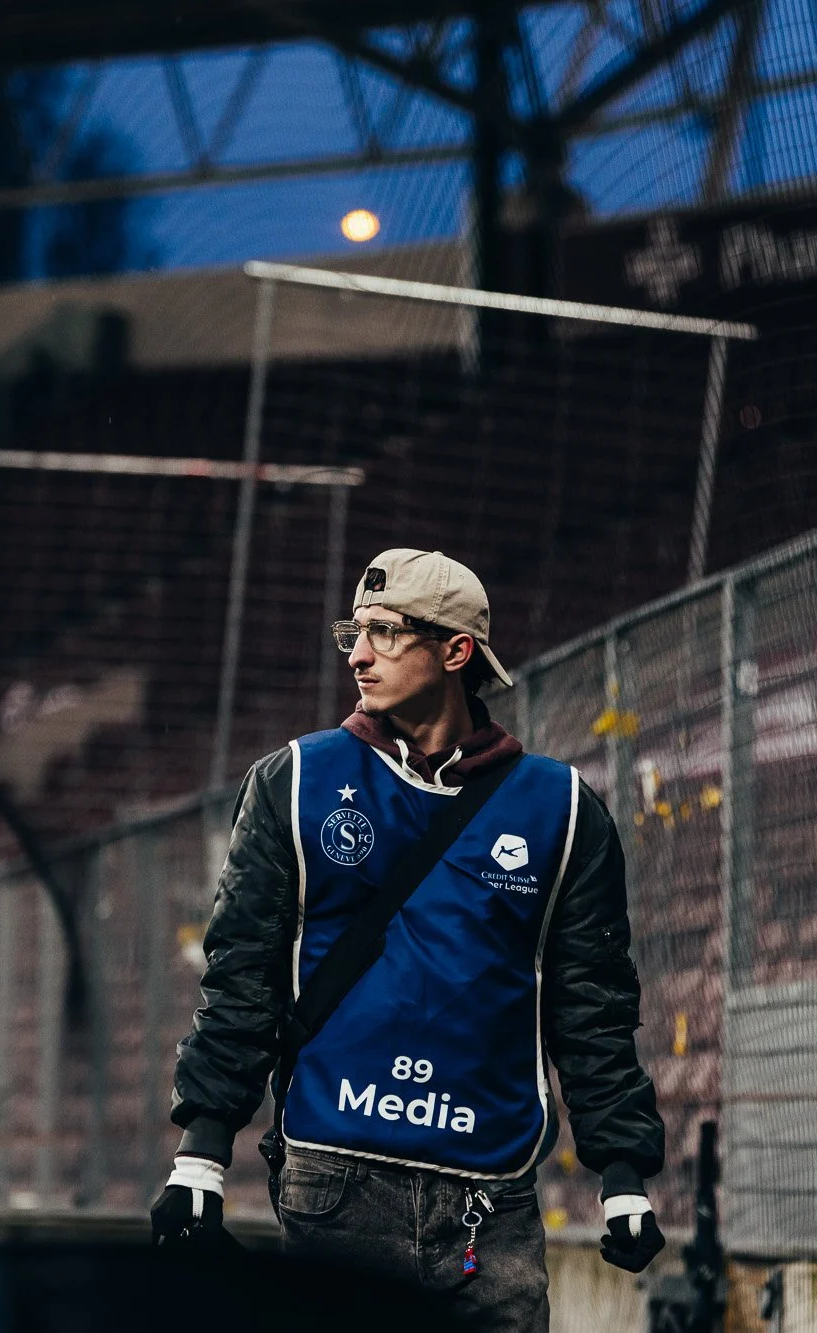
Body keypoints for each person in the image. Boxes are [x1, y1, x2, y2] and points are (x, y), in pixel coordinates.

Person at [151, 549, 665, 1332]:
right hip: (337, 1180)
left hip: (490, 1202)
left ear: (456, 651)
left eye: (385, 632)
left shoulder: (560, 809)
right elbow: (243, 977)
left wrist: (623, 1173)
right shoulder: (294, 782)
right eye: (355, 632)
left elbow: (591, 1002)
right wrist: (201, 1155)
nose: (358, 653)